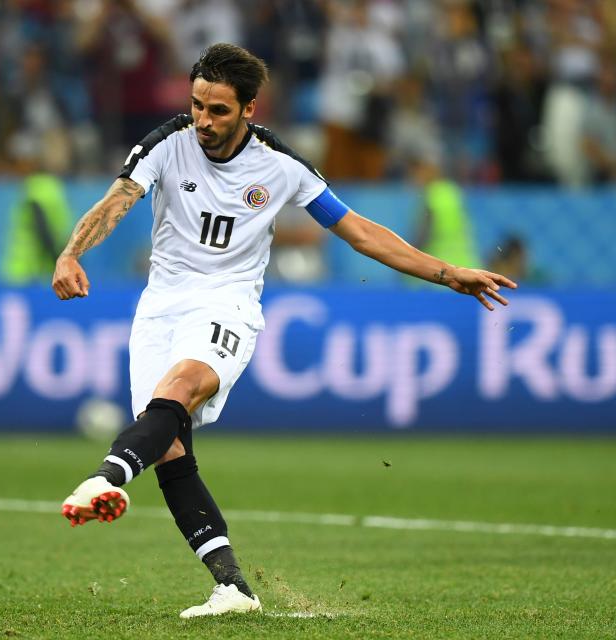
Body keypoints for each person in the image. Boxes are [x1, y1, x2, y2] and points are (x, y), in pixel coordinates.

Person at [52, 43, 516, 618]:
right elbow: (117, 200)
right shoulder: (165, 144)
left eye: (218, 110)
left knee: (182, 388)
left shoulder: (281, 165)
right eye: (197, 105)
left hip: (228, 305)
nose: (202, 121)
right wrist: (72, 253)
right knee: (168, 444)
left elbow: (360, 233)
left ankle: (104, 479)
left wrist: (448, 274)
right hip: (161, 307)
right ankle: (232, 588)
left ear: (250, 107)